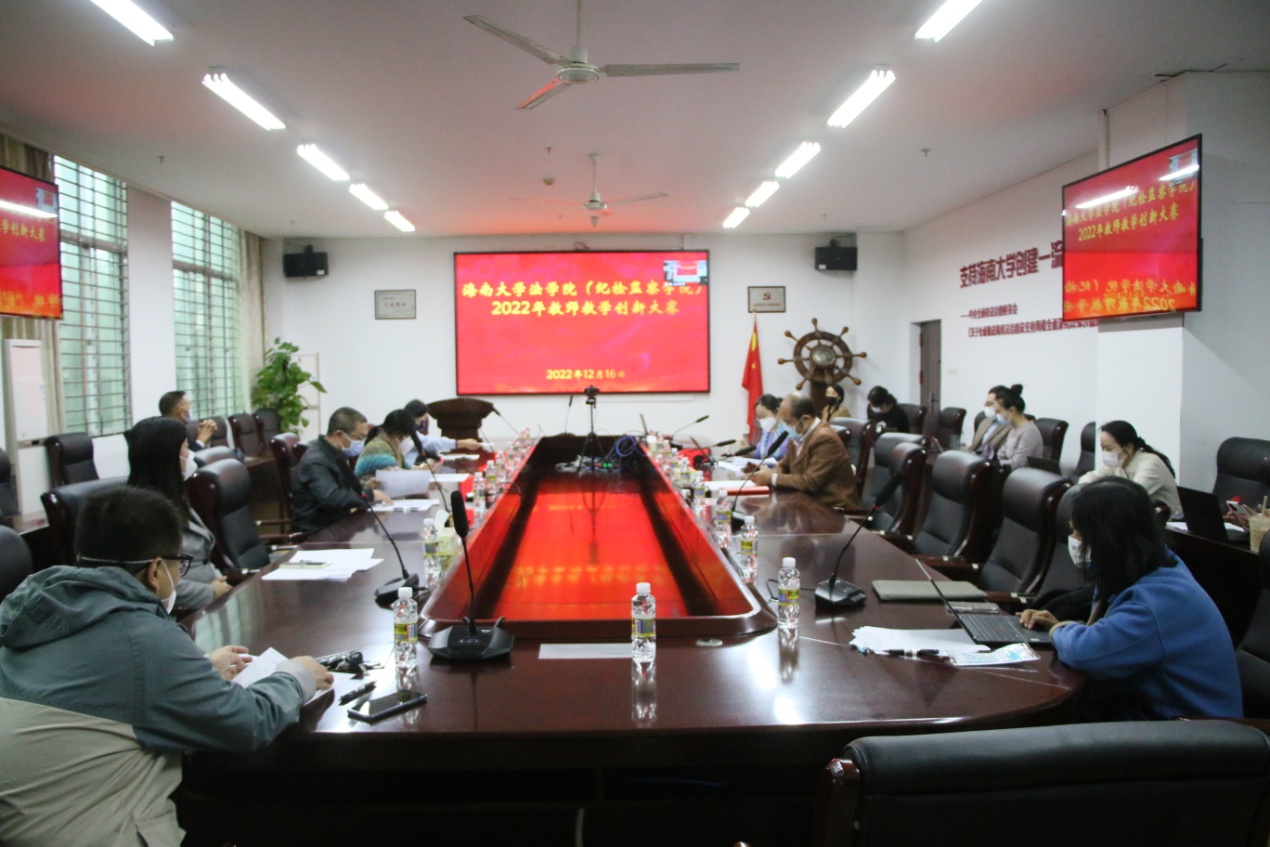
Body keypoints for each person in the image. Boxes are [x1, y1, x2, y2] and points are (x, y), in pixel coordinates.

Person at [0, 486, 334, 845]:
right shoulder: (141, 638)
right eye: (180, 565)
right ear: (157, 570)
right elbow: (248, 722)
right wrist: (297, 675)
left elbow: (96, 685)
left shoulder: (32, 614)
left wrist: (198, 668)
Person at [1020, 478, 1241, 720]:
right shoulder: (1148, 564)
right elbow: (1112, 638)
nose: (1073, 540)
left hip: (1192, 735)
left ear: (1106, 537)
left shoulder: (1156, 600)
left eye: (1078, 532)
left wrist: (1058, 630)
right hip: (1153, 716)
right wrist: (1064, 627)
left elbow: (1087, 653)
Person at [126, 416, 231, 611]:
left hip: (212, 601)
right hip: (182, 612)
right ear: (167, 456)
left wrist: (219, 583)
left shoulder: (175, 496)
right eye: (185, 447)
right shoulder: (144, 513)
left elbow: (202, 558)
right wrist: (210, 592)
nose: (190, 454)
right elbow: (153, 580)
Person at [292, 406, 391, 535]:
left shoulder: (335, 453)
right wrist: (370, 495)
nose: (361, 443)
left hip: (340, 526)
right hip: (319, 534)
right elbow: (331, 498)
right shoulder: (316, 461)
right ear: (339, 434)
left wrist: (365, 487)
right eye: (359, 438)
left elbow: (342, 489)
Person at [751, 394, 861, 510]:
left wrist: (772, 478)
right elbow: (784, 466)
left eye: (787, 422)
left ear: (805, 420)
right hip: (806, 505)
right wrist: (766, 473)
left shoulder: (825, 439)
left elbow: (811, 482)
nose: (785, 427)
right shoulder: (798, 434)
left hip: (833, 510)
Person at [1078, 420, 1181, 516]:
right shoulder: (1118, 463)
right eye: (1102, 448)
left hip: (1168, 522)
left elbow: (1130, 496)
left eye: (1109, 449)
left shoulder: (1151, 464)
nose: (1105, 453)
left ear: (1129, 448)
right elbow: (1089, 477)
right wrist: (1087, 490)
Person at [402, 399, 481, 465]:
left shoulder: (411, 432)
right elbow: (431, 442)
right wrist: (462, 443)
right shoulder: (403, 434)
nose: (419, 424)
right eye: (420, 421)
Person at [356, 408, 418, 482]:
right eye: (402, 436)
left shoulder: (391, 442)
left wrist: (421, 469)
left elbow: (406, 467)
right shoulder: (378, 446)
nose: (403, 440)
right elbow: (394, 474)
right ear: (397, 433)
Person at [991, 385, 1042, 467]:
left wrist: (996, 464)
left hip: (1023, 474)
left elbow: (1018, 463)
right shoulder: (1014, 429)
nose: (996, 415)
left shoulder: (1029, 431)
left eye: (998, 411)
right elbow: (1001, 454)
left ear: (1011, 410)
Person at [964, 384, 1014, 456]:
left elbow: (1003, 455)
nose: (987, 407)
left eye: (990, 404)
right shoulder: (985, 421)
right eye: (986, 403)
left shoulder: (1011, 427)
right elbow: (973, 447)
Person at [747, 393, 789, 463]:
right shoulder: (766, 431)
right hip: (765, 468)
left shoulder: (788, 430)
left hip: (781, 469)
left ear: (777, 411)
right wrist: (746, 449)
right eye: (759, 417)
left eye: (763, 416)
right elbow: (758, 453)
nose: (761, 420)